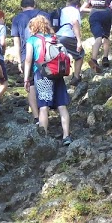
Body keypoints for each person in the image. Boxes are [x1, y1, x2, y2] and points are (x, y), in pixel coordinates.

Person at [24, 16, 72, 145]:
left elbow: (28, 60)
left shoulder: (32, 40)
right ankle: (66, 136)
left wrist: (26, 79)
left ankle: (43, 138)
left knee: (44, 107)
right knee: (62, 106)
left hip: (42, 74)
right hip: (57, 74)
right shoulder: (54, 39)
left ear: (33, 27)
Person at [10, 0, 50, 121]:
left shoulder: (17, 18)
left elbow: (16, 41)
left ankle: (36, 116)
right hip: (44, 55)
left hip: (25, 54)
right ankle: (45, 113)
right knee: (46, 82)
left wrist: (18, 59)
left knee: (30, 85)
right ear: (34, 5)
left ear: (22, 7)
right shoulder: (44, 15)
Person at [56, 0, 87, 83]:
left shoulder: (62, 10)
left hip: (57, 36)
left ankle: (57, 77)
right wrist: (79, 41)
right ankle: (76, 77)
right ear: (77, 6)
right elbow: (75, 23)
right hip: (67, 35)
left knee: (59, 57)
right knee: (80, 54)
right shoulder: (74, 10)